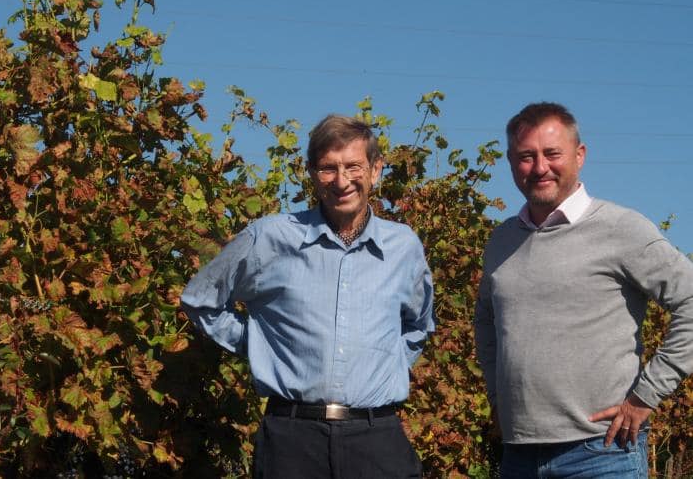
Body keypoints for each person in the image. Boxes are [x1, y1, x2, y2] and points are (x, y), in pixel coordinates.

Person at [181, 114, 434, 478]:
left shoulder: (403, 247)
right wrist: (257, 343)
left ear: (376, 170)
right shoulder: (269, 238)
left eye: (353, 166)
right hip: (292, 439)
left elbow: (418, 326)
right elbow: (200, 300)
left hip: (377, 438)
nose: (342, 181)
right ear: (312, 173)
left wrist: (387, 364)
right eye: (328, 168)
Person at [474, 102, 693, 478]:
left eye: (552, 154)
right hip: (518, 456)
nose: (540, 167)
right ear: (511, 162)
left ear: (580, 155)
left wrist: (646, 396)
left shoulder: (620, 229)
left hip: (602, 452)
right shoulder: (502, 240)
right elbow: (487, 325)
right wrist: (498, 398)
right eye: (526, 156)